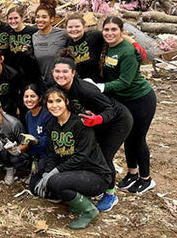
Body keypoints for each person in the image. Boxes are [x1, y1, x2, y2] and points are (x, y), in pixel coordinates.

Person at [52, 50, 133, 211]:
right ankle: (95, 185)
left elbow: (110, 110)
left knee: (104, 155)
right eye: (57, 71)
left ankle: (110, 194)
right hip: (94, 121)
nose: (61, 75)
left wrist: (98, 119)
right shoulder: (58, 87)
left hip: (117, 120)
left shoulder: (85, 89)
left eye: (65, 72)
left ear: (73, 73)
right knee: (91, 152)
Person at [33, 87, 111, 229]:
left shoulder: (80, 124)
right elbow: (52, 153)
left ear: (66, 102)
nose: (54, 105)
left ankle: (89, 211)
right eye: (50, 101)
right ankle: (77, 201)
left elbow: (81, 156)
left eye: (58, 100)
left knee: (55, 182)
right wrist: (46, 173)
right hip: (74, 172)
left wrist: (53, 173)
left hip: (96, 175)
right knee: (38, 185)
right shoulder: (52, 125)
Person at [96, 16, 157, 194]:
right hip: (124, 101)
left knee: (138, 138)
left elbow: (125, 82)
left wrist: (102, 87)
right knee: (128, 137)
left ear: (121, 31)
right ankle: (132, 173)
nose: (109, 33)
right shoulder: (107, 45)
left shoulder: (127, 51)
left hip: (140, 99)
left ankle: (146, 178)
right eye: (106, 30)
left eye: (114, 29)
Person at [65, 13, 147, 82]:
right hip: (78, 81)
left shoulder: (94, 36)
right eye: (70, 27)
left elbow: (116, 35)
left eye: (77, 26)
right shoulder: (66, 41)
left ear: (84, 27)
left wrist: (135, 44)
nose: (74, 29)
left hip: (97, 83)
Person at [0, 95, 26, 186]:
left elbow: (25, 142)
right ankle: (6, 168)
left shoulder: (13, 123)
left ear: (0, 107)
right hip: (2, 147)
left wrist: (17, 150)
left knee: (17, 158)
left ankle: (13, 168)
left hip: (16, 150)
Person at [32, 0, 68, 86]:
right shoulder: (34, 37)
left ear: (52, 19)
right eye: (37, 17)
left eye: (44, 17)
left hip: (60, 82)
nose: (40, 20)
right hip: (42, 83)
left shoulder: (62, 34)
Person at [23, 84, 53, 171]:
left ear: (39, 98)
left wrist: (37, 141)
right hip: (35, 154)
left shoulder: (47, 114)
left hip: (46, 155)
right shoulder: (28, 115)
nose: (29, 99)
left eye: (32, 96)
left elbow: (48, 140)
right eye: (26, 96)